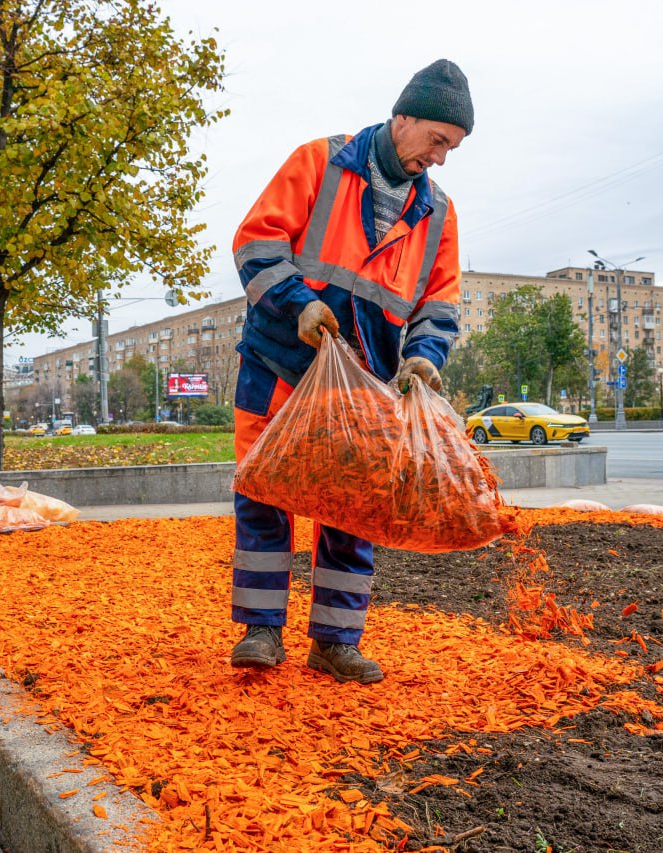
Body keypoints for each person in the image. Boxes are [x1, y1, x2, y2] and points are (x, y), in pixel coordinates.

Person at [228, 59, 471, 684]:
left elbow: (439, 306)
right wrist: (300, 304)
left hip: (364, 388)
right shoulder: (319, 162)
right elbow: (256, 244)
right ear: (403, 117)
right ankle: (261, 632)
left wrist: (424, 356)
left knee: (352, 511)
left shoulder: (437, 214)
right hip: (279, 365)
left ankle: (335, 641)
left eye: (453, 148)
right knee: (263, 494)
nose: (441, 157)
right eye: (437, 140)